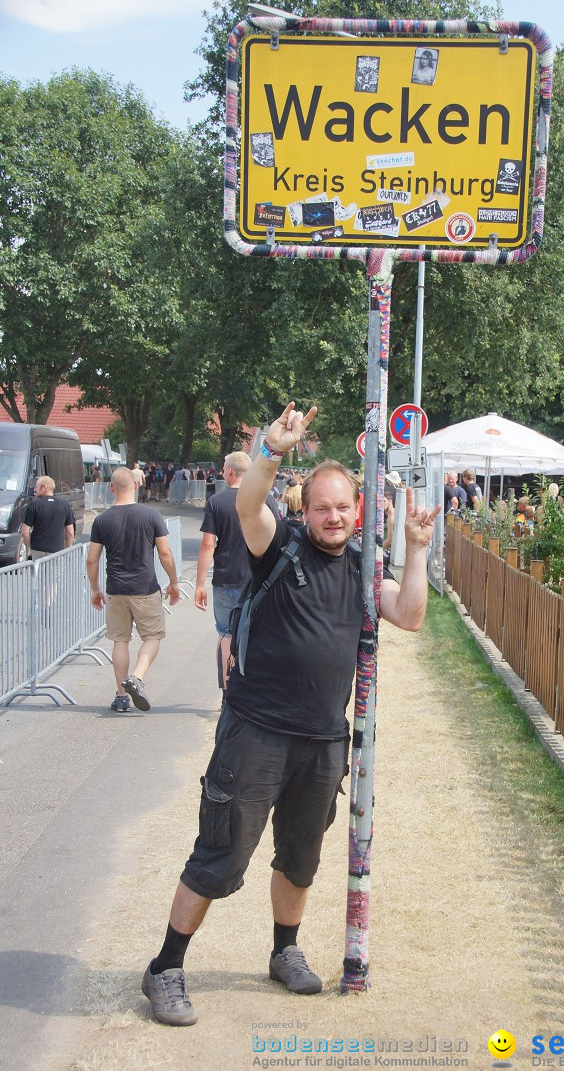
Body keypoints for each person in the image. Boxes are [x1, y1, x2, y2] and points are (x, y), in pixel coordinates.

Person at [141, 399, 441, 1027]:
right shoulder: (278, 546)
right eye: (322, 507)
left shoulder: (364, 569)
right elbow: (249, 504)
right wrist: (270, 452)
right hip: (256, 730)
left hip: (326, 739)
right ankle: (166, 967)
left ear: (358, 512)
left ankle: (284, 952)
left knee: (300, 855)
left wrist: (415, 549)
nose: (333, 517)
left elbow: (410, 614)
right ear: (305, 510)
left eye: (343, 508)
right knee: (222, 853)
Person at [86, 467, 181, 714]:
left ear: (110, 488)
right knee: (152, 637)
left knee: (120, 640)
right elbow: (164, 553)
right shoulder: (151, 516)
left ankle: (121, 697)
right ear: (137, 486)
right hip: (145, 588)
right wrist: (173, 582)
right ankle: (136, 678)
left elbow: (92, 560)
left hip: (115, 589)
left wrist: (95, 589)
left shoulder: (102, 520)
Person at [194, 451, 279, 690]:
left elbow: (208, 545)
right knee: (258, 633)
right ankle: (255, 688)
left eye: (223, 469)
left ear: (230, 472)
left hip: (226, 579)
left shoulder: (217, 502)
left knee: (226, 633)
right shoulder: (266, 499)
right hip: (259, 578)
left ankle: (229, 692)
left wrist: (200, 584)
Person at [21, 476, 75, 558]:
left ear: (44, 487)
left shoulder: (34, 505)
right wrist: (67, 550)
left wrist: (31, 547)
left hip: (38, 550)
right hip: (57, 551)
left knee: (38, 571)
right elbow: (70, 533)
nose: (34, 490)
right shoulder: (65, 505)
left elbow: (25, 532)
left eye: (36, 487)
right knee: (55, 571)